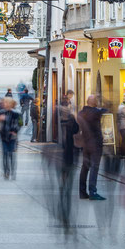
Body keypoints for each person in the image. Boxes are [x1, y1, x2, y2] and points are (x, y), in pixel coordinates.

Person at [78, 95, 107, 201]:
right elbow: (105, 110)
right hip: (95, 144)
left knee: (85, 167)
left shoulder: (81, 113)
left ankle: (82, 192)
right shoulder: (96, 112)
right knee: (94, 167)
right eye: (96, 101)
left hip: (85, 143)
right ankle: (92, 192)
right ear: (94, 102)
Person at [58, 96, 80, 228]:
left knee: (64, 181)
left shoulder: (60, 120)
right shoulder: (71, 119)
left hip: (64, 153)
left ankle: (63, 202)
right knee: (67, 182)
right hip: (69, 154)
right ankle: (64, 205)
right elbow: (77, 130)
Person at [0, 97, 20, 179]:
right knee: (5, 154)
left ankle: (13, 171)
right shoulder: (1, 112)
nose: (4, 104)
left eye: (6, 102)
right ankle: (6, 172)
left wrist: (15, 130)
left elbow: (19, 124)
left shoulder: (16, 113)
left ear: (10, 104)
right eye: (4, 102)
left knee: (11, 154)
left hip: (12, 137)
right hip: (3, 136)